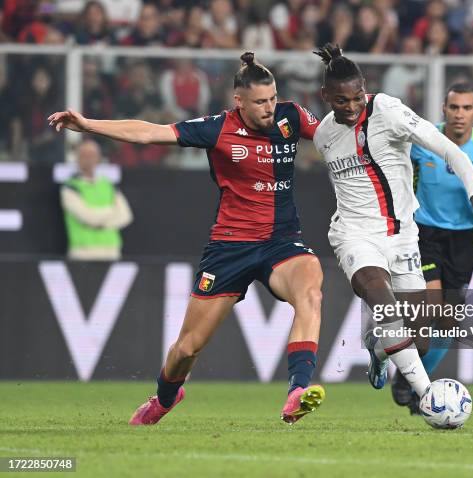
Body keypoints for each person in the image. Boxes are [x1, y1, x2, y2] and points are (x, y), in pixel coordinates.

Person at [48, 52, 325, 426]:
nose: (269, 108)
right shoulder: (216, 128)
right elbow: (149, 131)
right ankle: (165, 397)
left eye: (273, 98)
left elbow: (334, 135)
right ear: (238, 101)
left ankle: (297, 390)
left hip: (281, 241)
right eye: (260, 101)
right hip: (230, 247)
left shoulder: (292, 117)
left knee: (311, 290)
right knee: (187, 348)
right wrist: (89, 125)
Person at [312, 44, 473, 401]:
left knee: (420, 338)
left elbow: (448, 149)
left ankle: (377, 349)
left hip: (402, 238)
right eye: (340, 101)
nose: (350, 108)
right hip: (354, 235)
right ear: (325, 96)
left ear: (364, 88)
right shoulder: (323, 136)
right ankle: (430, 397)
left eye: (356, 98)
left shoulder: (388, 111)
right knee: (379, 294)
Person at [391, 83, 473, 413]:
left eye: (466, 108)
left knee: (448, 323)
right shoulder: (424, 139)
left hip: (462, 238)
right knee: (431, 308)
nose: (460, 114)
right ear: (444, 109)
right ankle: (411, 376)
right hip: (423, 233)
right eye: (454, 107)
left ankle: (415, 385)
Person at [61, 139, 133, 261]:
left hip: (111, 251)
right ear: (78, 158)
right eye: (84, 155)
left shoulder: (108, 184)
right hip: (83, 252)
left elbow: (125, 216)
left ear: (99, 158)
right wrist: (111, 212)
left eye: (92, 155)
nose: (89, 159)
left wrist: (97, 217)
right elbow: (88, 218)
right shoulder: (70, 187)